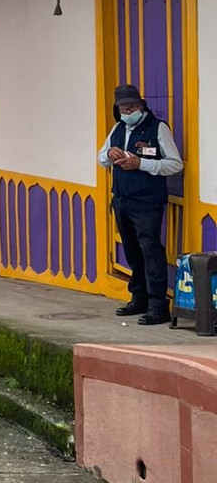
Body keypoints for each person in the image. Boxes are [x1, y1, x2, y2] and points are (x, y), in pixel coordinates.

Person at [98, 84, 183, 325]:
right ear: (118, 108)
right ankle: (139, 297)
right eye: (124, 107)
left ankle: (158, 305)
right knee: (132, 250)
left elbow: (175, 164)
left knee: (151, 251)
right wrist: (110, 155)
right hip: (122, 200)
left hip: (147, 202)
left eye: (132, 106)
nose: (128, 110)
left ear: (141, 104)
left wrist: (141, 164)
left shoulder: (158, 128)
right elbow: (101, 158)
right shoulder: (117, 128)